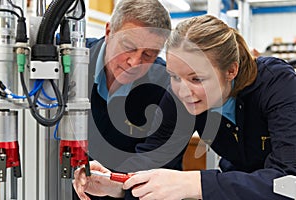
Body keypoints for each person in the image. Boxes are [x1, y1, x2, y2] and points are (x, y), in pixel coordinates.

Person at [75, 14, 296, 199]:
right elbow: (154, 158)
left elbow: (289, 183)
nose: (183, 91)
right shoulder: (180, 95)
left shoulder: (278, 86)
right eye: (174, 76)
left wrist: (196, 183)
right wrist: (117, 183)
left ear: (231, 71)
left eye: (196, 79)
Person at [73, 0, 190, 199]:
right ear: (109, 31)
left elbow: (157, 167)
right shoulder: (70, 60)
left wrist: (115, 186)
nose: (135, 62)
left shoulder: (166, 87)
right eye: (128, 47)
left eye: (148, 54)